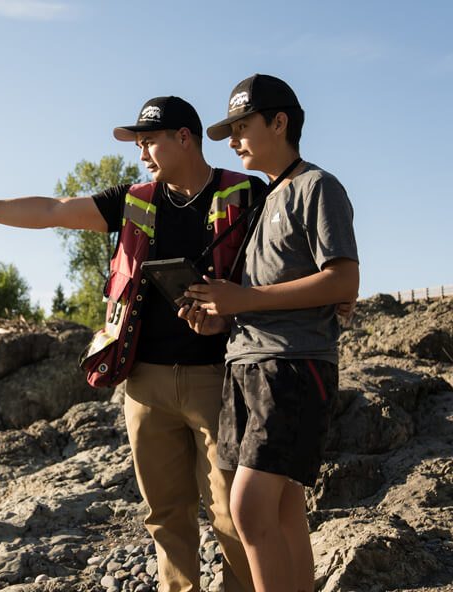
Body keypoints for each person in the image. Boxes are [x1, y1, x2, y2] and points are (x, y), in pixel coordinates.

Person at [0, 96, 262, 592]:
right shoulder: (134, 199)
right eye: (139, 144)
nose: (142, 154)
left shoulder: (246, 192)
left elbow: (284, 252)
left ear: (184, 137)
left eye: (149, 142)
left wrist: (328, 293)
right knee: (165, 516)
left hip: (219, 379)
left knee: (232, 516)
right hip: (144, 384)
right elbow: (52, 211)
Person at [182, 74, 359, 592]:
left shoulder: (317, 187)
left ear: (279, 122)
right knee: (282, 512)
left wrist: (245, 300)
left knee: (247, 508)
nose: (234, 141)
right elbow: (265, 291)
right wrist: (221, 315)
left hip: (294, 366)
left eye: (242, 127)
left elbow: (344, 279)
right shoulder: (264, 201)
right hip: (247, 365)